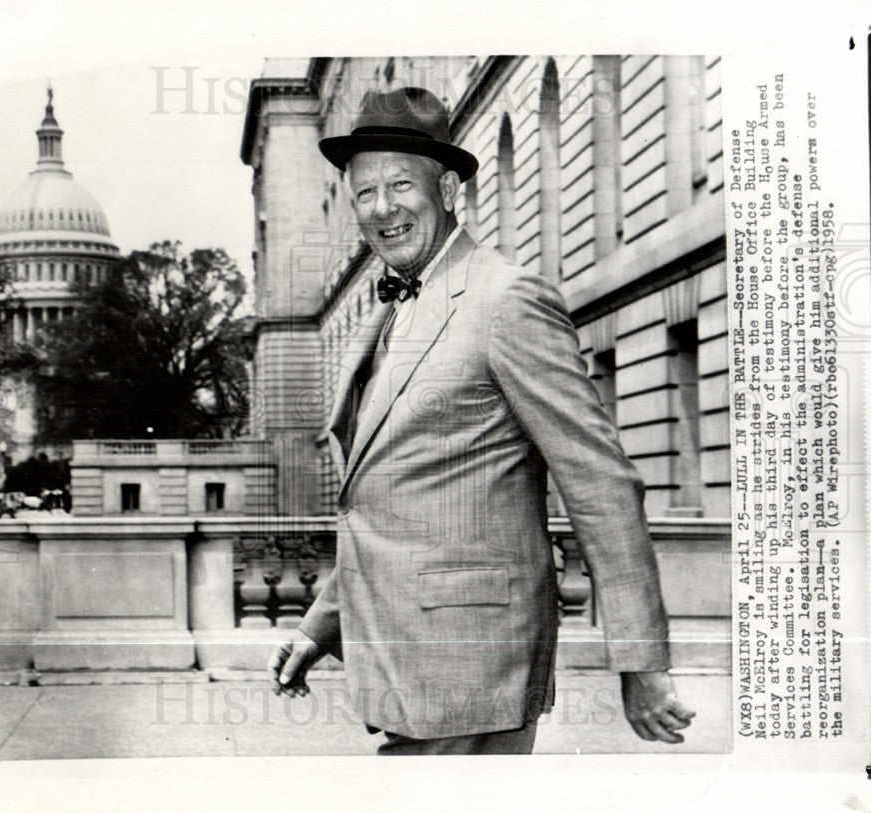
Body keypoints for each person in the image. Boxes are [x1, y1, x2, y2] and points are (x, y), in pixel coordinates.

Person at [267, 86, 696, 755]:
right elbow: (387, 503)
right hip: (409, 666)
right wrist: (319, 627)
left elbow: (601, 483)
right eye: (363, 193)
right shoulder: (391, 309)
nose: (382, 209)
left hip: (473, 666)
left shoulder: (506, 298)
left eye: (400, 186)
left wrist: (641, 660)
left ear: (447, 188)